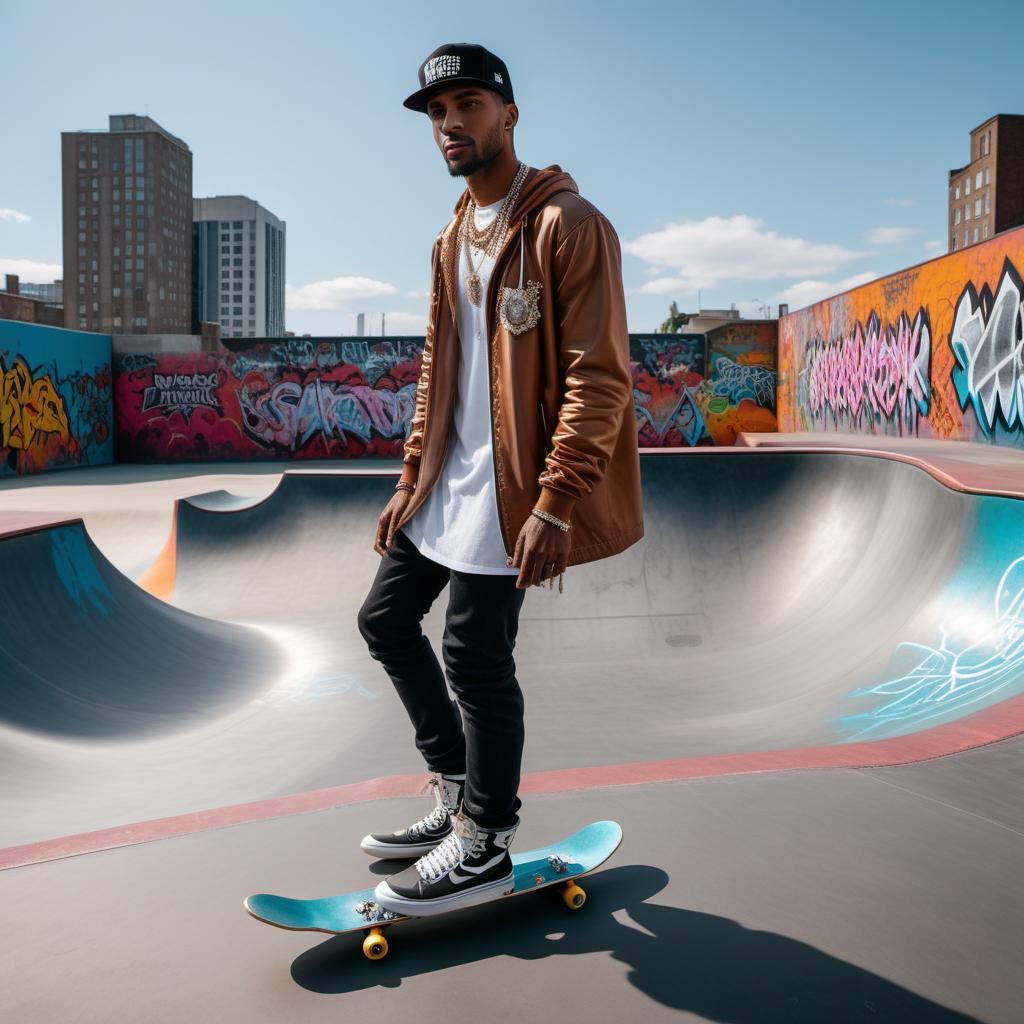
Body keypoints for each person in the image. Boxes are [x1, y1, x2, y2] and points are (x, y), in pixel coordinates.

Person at [356, 42, 644, 916]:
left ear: (509, 114)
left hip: (518, 486)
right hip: (450, 480)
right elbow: (436, 371)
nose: (450, 124)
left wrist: (556, 502)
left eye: (468, 105)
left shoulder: (568, 225)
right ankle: (454, 787)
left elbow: (601, 376)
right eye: (438, 112)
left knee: (476, 656)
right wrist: (412, 476)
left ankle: (485, 839)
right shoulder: (450, 240)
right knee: (384, 619)